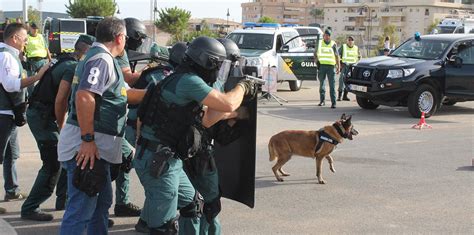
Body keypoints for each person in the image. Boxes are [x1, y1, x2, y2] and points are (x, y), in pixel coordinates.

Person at [134, 36, 255, 234]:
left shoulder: (179, 77)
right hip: (159, 161)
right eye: (218, 65)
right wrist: (243, 87)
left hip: (165, 158)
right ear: (208, 62)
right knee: (163, 228)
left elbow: (206, 119)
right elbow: (227, 104)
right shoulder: (188, 81)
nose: (218, 71)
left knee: (193, 205)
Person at [57, 17, 145, 235]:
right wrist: (87, 141)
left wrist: (157, 90)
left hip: (97, 150)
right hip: (87, 149)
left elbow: (124, 94)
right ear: (119, 37)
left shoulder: (103, 58)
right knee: (81, 210)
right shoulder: (101, 60)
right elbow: (85, 96)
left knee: (101, 203)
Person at [20, 34, 95, 221]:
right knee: (53, 163)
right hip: (43, 117)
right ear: (86, 50)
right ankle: (30, 207)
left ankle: (63, 200)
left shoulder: (63, 61)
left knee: (65, 155)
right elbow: (61, 99)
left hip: (40, 113)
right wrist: (62, 127)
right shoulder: (72, 67)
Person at [0, 23, 50, 213]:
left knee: (11, 154)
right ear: (14, 38)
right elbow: (12, 85)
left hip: (9, 113)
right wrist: (38, 76)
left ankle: (12, 189)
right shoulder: (6, 56)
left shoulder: (11, 55)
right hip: (4, 114)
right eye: (24, 38)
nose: (27, 41)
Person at [110, 17, 147, 219]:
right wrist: (150, 70)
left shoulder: (103, 51)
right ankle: (103, 208)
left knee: (121, 160)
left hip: (110, 119)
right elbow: (129, 80)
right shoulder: (115, 54)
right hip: (107, 120)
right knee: (123, 159)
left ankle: (121, 203)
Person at [315, 29, 340, 108]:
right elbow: (315, 53)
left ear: (329, 36)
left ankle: (334, 102)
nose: (325, 37)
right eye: (324, 35)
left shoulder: (333, 44)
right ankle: (322, 101)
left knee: (332, 86)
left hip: (331, 67)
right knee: (322, 84)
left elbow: (337, 56)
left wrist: (338, 67)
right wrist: (316, 62)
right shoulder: (319, 43)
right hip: (322, 66)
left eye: (327, 35)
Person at [25, 22, 51, 95]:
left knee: (44, 80)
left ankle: (41, 96)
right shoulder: (27, 37)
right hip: (31, 62)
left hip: (42, 61)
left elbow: (46, 48)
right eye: (34, 29)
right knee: (30, 82)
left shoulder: (41, 36)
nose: (35, 30)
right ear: (30, 28)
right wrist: (21, 60)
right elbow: (21, 49)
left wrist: (50, 60)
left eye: (36, 29)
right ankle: (31, 98)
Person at [337, 36, 360, 102]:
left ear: (353, 41)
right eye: (349, 40)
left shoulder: (356, 48)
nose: (350, 41)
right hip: (345, 66)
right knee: (341, 80)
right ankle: (339, 96)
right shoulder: (343, 46)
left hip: (352, 67)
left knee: (349, 82)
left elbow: (358, 57)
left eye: (352, 40)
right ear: (347, 41)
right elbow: (338, 55)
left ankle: (345, 96)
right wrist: (340, 64)